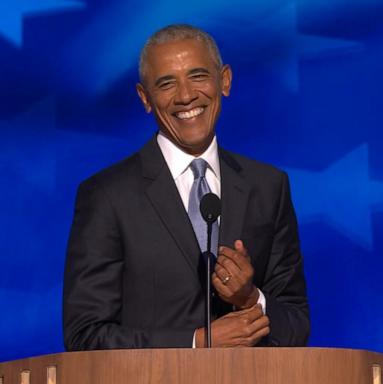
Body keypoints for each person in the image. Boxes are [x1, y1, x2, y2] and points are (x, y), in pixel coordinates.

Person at [63, 24, 309, 350]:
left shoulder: (268, 187)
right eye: (166, 83)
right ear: (145, 98)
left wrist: (249, 298)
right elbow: (85, 336)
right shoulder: (107, 196)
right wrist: (196, 343)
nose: (185, 95)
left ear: (225, 81)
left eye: (198, 76)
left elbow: (296, 326)